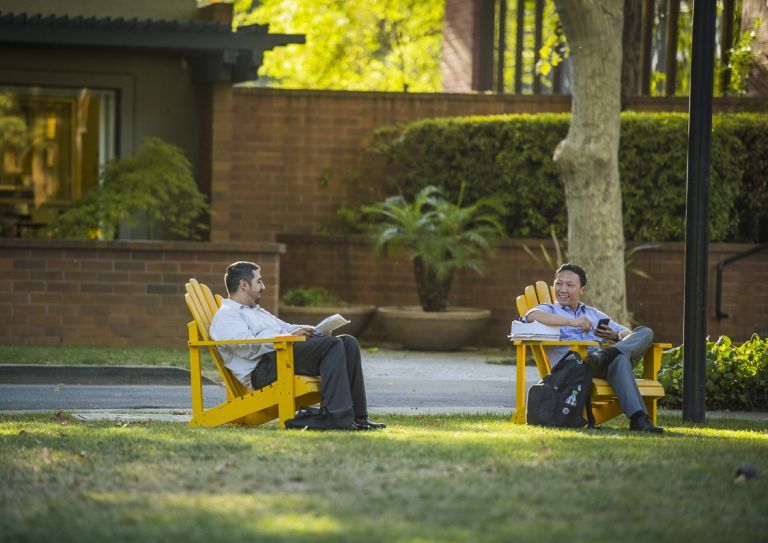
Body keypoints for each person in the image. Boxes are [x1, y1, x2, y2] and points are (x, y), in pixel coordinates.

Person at [209, 261, 385, 431]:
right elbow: (246, 347)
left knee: (348, 342)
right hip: (262, 370)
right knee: (332, 345)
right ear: (244, 284)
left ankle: (358, 418)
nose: (263, 287)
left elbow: (285, 327)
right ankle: (336, 416)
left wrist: (312, 330)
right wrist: (289, 337)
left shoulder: (256, 311)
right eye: (259, 281)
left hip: (281, 357)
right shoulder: (227, 316)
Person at [523, 263, 663, 433]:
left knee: (645, 332)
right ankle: (638, 419)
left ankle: (606, 354)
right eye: (559, 283)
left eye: (570, 285)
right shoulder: (549, 309)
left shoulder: (593, 314)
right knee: (619, 360)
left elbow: (627, 332)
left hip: (600, 363)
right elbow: (531, 315)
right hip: (575, 370)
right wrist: (572, 322)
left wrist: (614, 336)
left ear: (582, 289)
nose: (562, 289)